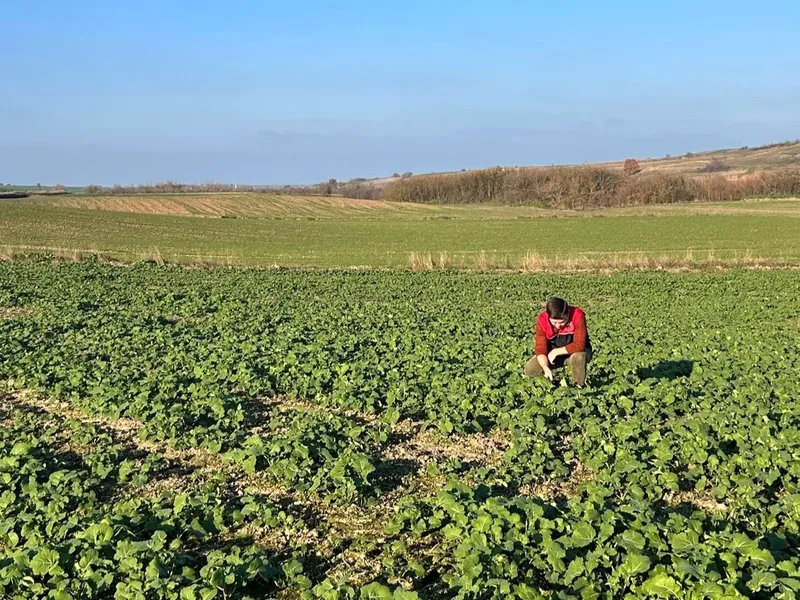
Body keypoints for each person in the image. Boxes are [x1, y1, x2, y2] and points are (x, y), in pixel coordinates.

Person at [524, 297, 591, 387]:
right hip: (553, 356)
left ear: (568, 314)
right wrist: (545, 367)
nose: (558, 325)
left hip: (576, 352)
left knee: (578, 357)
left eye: (562, 322)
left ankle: (579, 386)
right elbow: (541, 349)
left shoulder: (577, 315)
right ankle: (552, 383)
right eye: (554, 322)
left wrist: (556, 352)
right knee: (530, 369)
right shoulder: (543, 320)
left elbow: (580, 345)